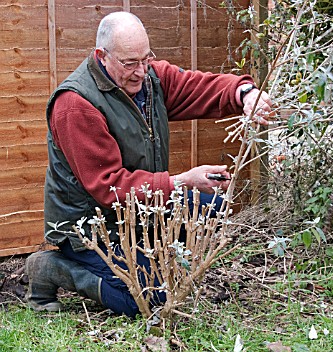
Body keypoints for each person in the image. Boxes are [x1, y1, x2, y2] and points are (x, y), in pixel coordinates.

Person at [25, 11, 272, 317]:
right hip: (90, 228)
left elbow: (196, 87)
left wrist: (244, 93)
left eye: (146, 59)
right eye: (130, 63)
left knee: (211, 208)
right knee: (151, 299)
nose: (142, 71)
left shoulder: (148, 78)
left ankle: (153, 263)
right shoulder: (76, 105)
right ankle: (54, 267)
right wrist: (181, 182)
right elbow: (110, 187)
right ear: (102, 56)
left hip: (139, 211)